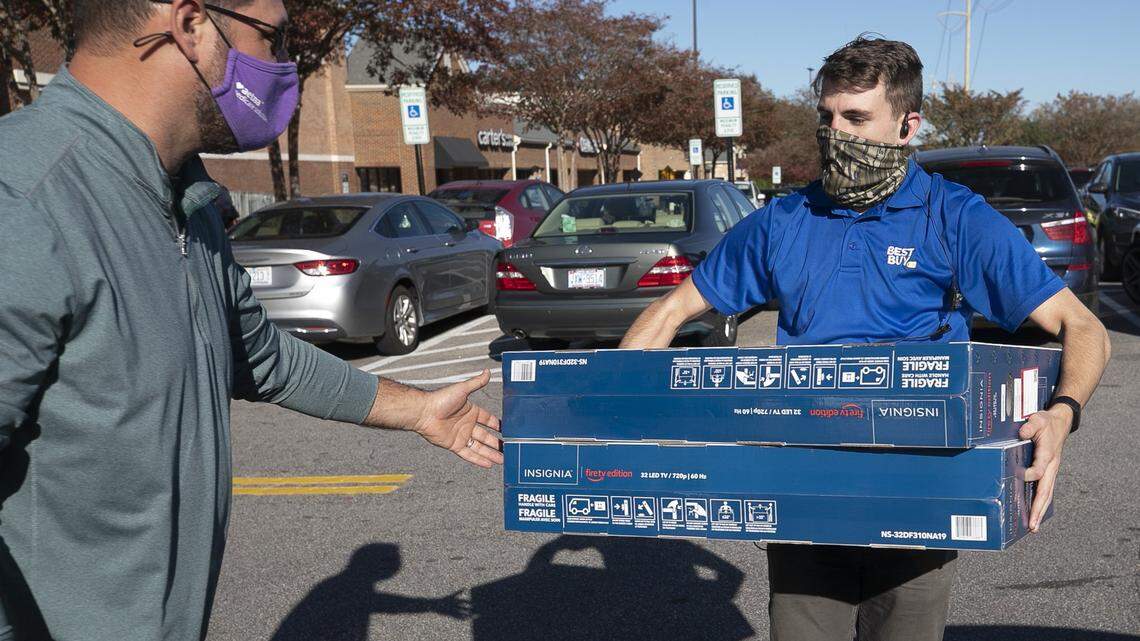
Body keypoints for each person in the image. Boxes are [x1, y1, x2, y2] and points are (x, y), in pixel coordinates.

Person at [0, 1, 502, 639]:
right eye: (274, 37)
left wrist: (420, 410)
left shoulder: (190, 199)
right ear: (190, 25)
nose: (286, 67)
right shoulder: (24, 197)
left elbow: (260, 354)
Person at [619, 36, 1111, 641]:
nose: (835, 134)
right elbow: (669, 312)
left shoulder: (954, 217)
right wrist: (616, 409)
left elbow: (1082, 326)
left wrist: (1062, 414)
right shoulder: (783, 220)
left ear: (908, 126)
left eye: (855, 118)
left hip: (920, 491)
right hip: (803, 489)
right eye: (826, 117)